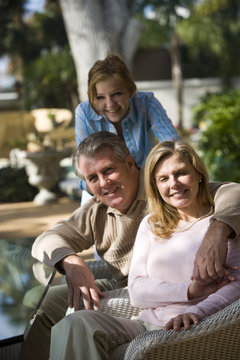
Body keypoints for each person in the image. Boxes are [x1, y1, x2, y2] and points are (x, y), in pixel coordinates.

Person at [19, 132, 240, 360]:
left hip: (166, 310)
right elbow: (46, 240)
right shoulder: (106, 211)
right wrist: (71, 261)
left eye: (108, 170)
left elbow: (232, 192)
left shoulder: (180, 195)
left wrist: (218, 231)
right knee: (46, 303)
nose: (104, 183)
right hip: (138, 296)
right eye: (93, 178)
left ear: (130, 164)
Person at [75, 53, 178, 195]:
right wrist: (100, 192)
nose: (110, 104)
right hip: (102, 189)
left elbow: (173, 146)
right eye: (100, 97)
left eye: (117, 94)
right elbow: (84, 170)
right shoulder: (84, 113)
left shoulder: (146, 103)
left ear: (130, 90)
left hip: (145, 184)